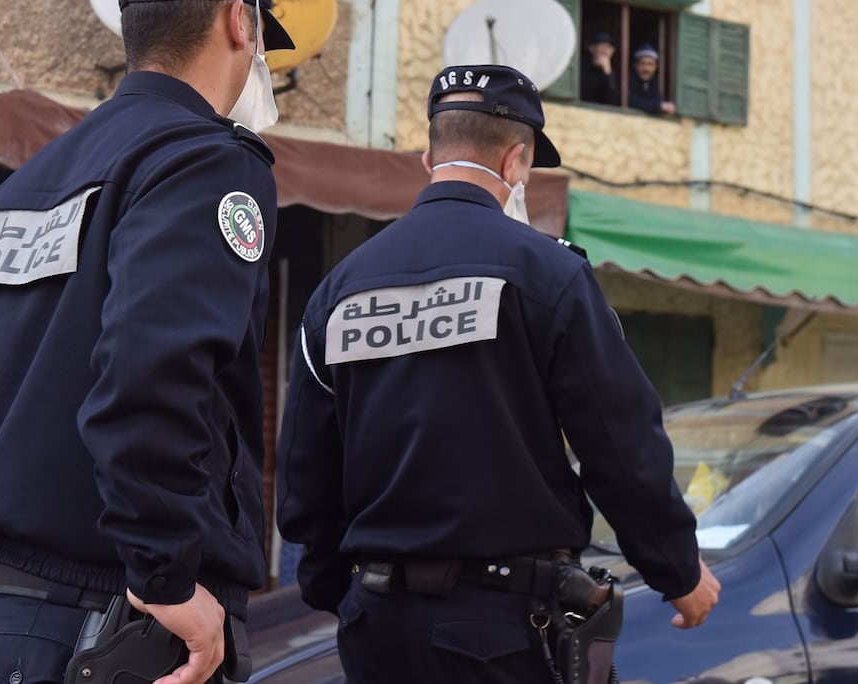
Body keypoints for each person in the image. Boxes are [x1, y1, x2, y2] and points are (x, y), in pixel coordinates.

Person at [277, 63, 720, 683]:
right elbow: (620, 444)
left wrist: (336, 589)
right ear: (516, 162)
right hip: (502, 630)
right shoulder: (549, 276)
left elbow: (305, 464)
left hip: (376, 628)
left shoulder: (341, 288)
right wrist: (678, 569)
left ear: (429, 157)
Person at [0, 2, 293, 683]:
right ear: (241, 21)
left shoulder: (14, 192)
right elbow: (149, 376)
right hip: (111, 631)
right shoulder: (205, 161)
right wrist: (165, 574)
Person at [628, 43, 676, 115]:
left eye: (650, 64)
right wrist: (659, 106)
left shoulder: (656, 82)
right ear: (635, 65)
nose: (646, 68)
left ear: (656, 67)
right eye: (643, 63)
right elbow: (632, 101)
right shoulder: (628, 79)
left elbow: (657, 100)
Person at [581, 32, 620, 105]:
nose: (606, 50)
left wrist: (608, 73)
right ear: (592, 49)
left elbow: (613, 102)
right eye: (602, 46)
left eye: (609, 47)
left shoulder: (614, 73)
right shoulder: (582, 67)